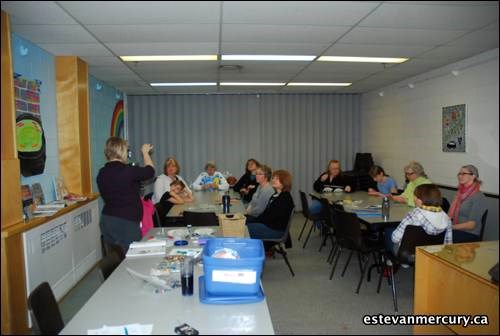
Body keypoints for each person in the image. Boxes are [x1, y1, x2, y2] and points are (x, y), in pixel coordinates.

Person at [97, 137, 155, 252]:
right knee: (132, 257)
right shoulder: (128, 171)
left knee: (116, 257)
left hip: (107, 220)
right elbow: (150, 171)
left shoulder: (102, 172)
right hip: (126, 223)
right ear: (122, 151)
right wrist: (145, 153)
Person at [386, 184, 452, 256]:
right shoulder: (446, 218)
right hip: (433, 254)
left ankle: (393, 263)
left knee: (388, 233)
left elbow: (395, 238)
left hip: (408, 254)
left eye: (415, 197)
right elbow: (448, 243)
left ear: (420, 200)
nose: (413, 199)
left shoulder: (414, 215)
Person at [246, 170, 295, 239]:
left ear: (284, 182)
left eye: (277, 179)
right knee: (245, 224)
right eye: (273, 178)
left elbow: (272, 218)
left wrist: (254, 221)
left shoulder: (285, 198)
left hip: (275, 230)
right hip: (269, 225)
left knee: (244, 229)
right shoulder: (275, 195)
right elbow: (266, 214)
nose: (273, 180)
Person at [449, 165, 487, 243]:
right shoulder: (459, 193)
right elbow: (450, 214)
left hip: (469, 233)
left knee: (439, 238)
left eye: (464, 173)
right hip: (455, 229)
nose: (460, 176)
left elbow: (471, 225)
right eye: (459, 173)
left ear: (473, 176)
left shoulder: (478, 197)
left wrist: (450, 227)